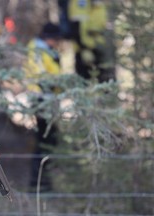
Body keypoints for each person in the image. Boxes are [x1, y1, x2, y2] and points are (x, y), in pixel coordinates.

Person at [24, 22, 63, 192]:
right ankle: (39, 182)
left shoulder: (46, 50)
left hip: (47, 99)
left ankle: (44, 180)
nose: (58, 43)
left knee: (48, 139)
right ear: (49, 38)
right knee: (44, 140)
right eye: (56, 39)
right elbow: (43, 76)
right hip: (41, 100)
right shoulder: (38, 50)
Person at [58, 0, 116, 83]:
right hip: (86, 49)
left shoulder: (98, 3)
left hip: (100, 47)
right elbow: (76, 27)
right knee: (85, 80)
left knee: (103, 80)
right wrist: (84, 49)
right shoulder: (81, 2)